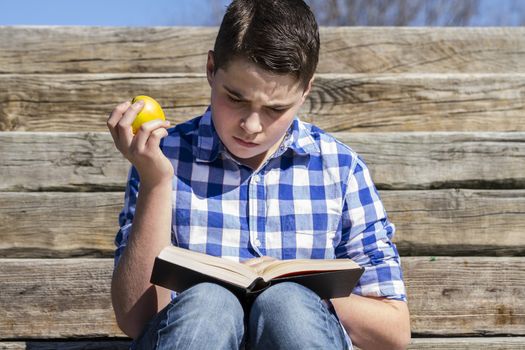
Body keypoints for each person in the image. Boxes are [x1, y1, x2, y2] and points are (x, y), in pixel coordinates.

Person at [107, 0, 411, 349]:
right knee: (209, 302)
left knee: (287, 305)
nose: (251, 126)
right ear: (211, 68)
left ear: (306, 90)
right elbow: (135, 319)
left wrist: (303, 287)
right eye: (235, 99)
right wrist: (156, 182)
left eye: (275, 109)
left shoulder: (339, 168)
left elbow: (393, 332)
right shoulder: (161, 157)